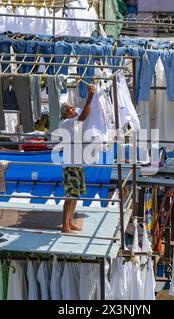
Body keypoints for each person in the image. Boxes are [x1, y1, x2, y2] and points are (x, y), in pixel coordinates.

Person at [58, 84, 96, 233]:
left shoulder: (71, 120)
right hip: (71, 164)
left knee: (75, 195)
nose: (74, 110)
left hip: (77, 163)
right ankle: (64, 226)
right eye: (71, 109)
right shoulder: (66, 123)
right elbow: (83, 116)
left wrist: (91, 98)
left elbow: (84, 112)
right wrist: (90, 97)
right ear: (66, 114)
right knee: (70, 196)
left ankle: (70, 222)